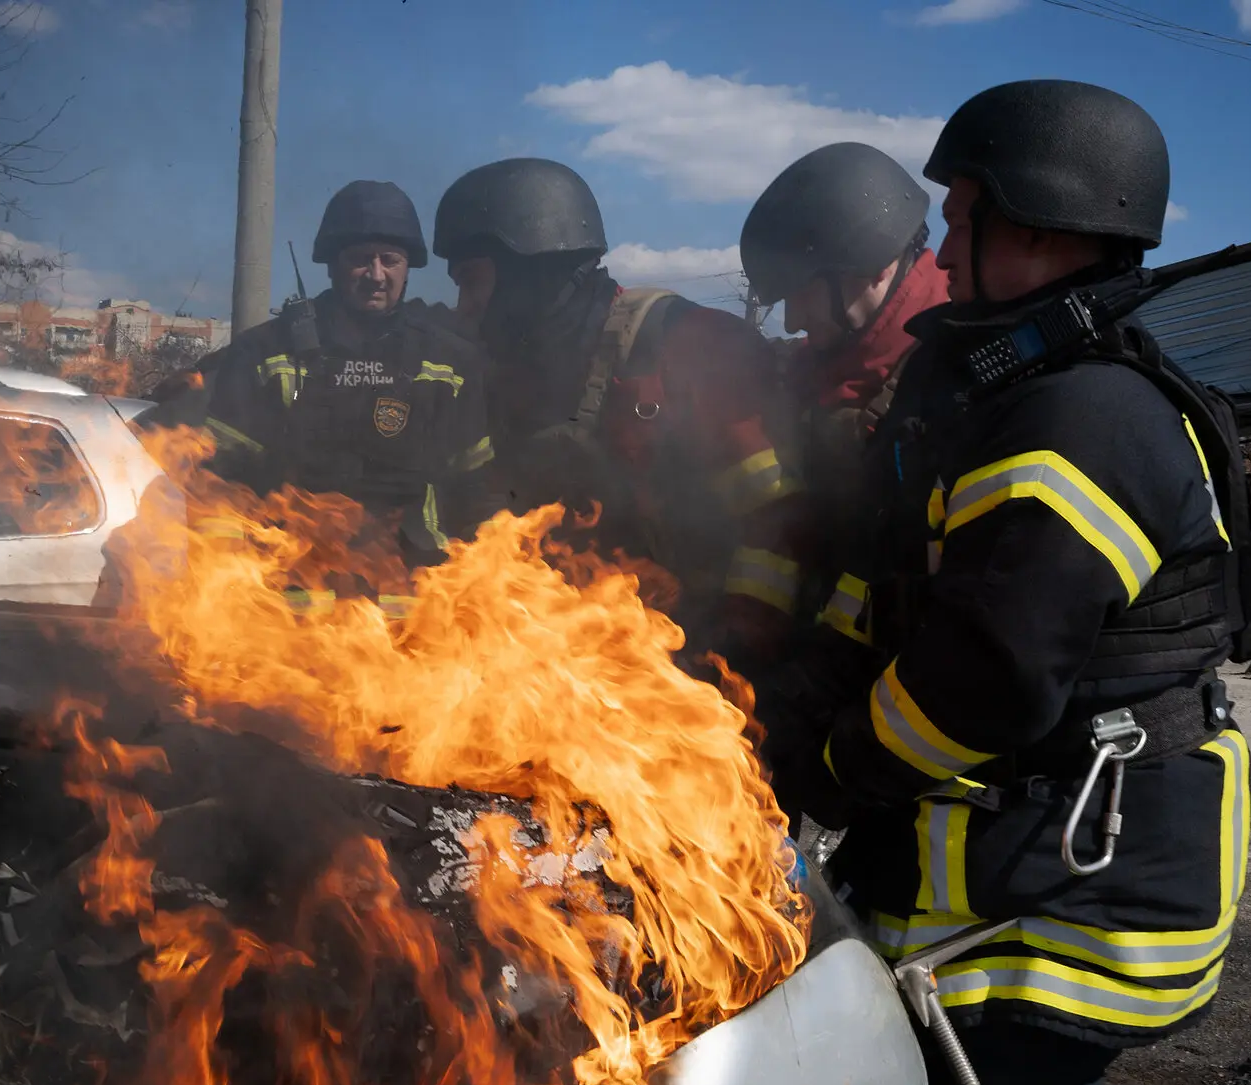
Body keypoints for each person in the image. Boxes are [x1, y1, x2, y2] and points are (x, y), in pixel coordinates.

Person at [770, 82, 1251, 1085]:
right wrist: (781, 708)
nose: (936, 249)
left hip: (1086, 889)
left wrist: (829, 766)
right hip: (1013, 865)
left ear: (1043, 224)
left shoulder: (1080, 420)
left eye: (958, 215)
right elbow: (894, 591)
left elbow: (984, 680)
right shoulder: (990, 401)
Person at [431, 158, 807, 668]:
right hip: (581, 660)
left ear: (530, 273)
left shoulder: (688, 345)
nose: (463, 307)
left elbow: (776, 520)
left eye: (471, 281)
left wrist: (734, 648)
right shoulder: (518, 371)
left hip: (705, 665)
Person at [99, 180, 494, 610]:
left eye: (390, 260)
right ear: (331, 265)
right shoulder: (267, 353)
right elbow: (218, 481)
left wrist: (476, 592)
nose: (377, 275)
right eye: (361, 261)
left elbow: (477, 492)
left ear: (408, 267)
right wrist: (225, 583)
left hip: (415, 608)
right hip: (287, 611)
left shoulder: (447, 363)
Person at [738, 143, 951, 811]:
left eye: (801, 293)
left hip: (920, 706)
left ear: (868, 267)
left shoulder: (955, 366)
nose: (794, 321)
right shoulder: (814, 373)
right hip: (815, 674)